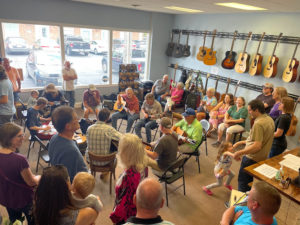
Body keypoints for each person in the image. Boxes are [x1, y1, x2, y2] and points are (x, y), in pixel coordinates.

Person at [0, 123, 40, 225]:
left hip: (7, 197)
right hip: (23, 198)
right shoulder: (19, 160)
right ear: (8, 138)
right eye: (19, 136)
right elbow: (31, 182)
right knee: (33, 220)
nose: (23, 138)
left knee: (15, 221)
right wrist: (39, 177)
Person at [232, 99, 274, 192]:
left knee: (243, 182)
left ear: (257, 110)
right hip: (261, 157)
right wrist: (240, 142)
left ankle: (240, 205)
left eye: (250, 110)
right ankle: (246, 201)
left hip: (251, 158)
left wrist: (239, 152)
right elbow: (257, 139)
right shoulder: (269, 119)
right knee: (248, 181)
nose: (249, 112)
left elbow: (257, 146)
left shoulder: (258, 123)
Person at [34, 165, 98, 225]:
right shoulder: (85, 214)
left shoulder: (39, 206)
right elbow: (95, 214)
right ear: (68, 185)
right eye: (69, 180)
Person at [110, 133, 148, 225]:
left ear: (125, 154)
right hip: (138, 208)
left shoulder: (128, 176)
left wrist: (115, 217)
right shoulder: (144, 166)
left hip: (127, 215)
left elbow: (123, 202)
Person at [48, 106, 88, 182]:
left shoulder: (54, 137)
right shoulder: (70, 150)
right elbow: (68, 180)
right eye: (76, 119)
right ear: (68, 126)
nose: (78, 119)